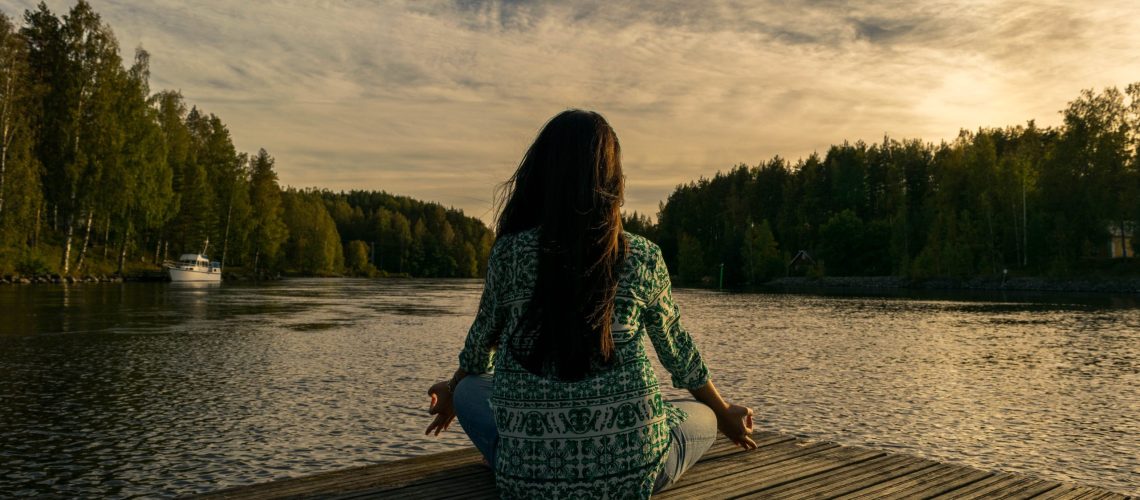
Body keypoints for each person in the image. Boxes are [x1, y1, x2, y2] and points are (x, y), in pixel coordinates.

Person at [425, 109, 756, 498]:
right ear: (612, 180)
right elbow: (677, 352)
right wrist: (724, 413)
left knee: (470, 392)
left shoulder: (510, 253)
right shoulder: (643, 255)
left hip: (529, 482)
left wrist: (452, 389)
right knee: (699, 414)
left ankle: (514, 457)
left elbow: (481, 346)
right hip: (633, 477)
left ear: (541, 175)